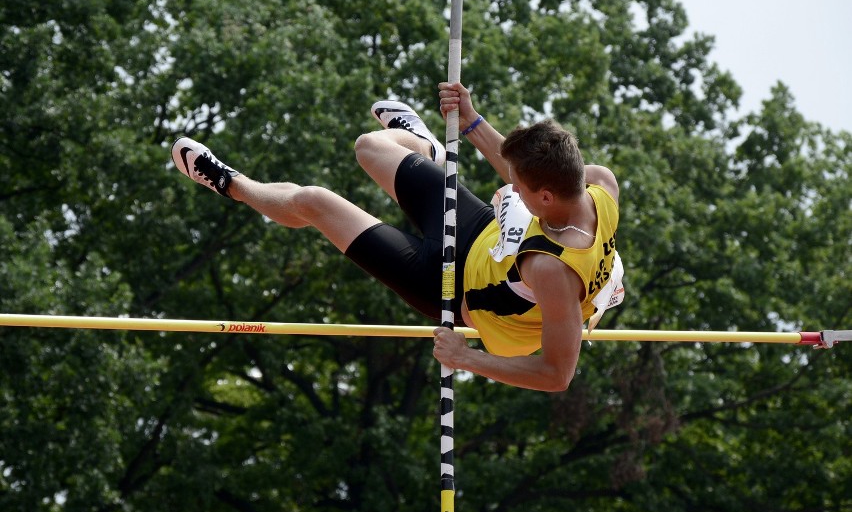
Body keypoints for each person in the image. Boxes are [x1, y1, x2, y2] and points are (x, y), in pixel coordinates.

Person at [170, 82, 621, 392]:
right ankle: (427, 145)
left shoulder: (550, 270)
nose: (510, 186)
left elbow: (556, 374)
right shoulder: (597, 183)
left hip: (450, 291)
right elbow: (522, 173)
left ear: (544, 197)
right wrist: (470, 120)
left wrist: (466, 359)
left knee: (315, 202)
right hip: (481, 234)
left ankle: (230, 183)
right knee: (370, 146)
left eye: (520, 188)